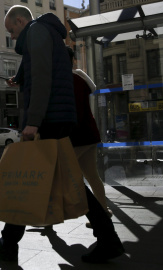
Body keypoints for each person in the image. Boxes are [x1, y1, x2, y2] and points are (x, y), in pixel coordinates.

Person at [0, 5, 124, 264]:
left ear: (21, 21)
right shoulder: (44, 32)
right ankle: (108, 240)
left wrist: (33, 122)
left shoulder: (36, 31)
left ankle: (8, 244)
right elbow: (38, 68)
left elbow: (43, 76)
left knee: (26, 178)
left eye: (11, 30)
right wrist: (20, 77)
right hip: (57, 115)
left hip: (49, 118)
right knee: (58, 181)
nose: (11, 37)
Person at [66, 46, 112, 228]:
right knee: (92, 176)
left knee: (62, 175)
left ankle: (50, 215)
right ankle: (104, 210)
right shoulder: (81, 78)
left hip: (76, 136)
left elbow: (72, 112)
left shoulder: (67, 80)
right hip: (90, 134)